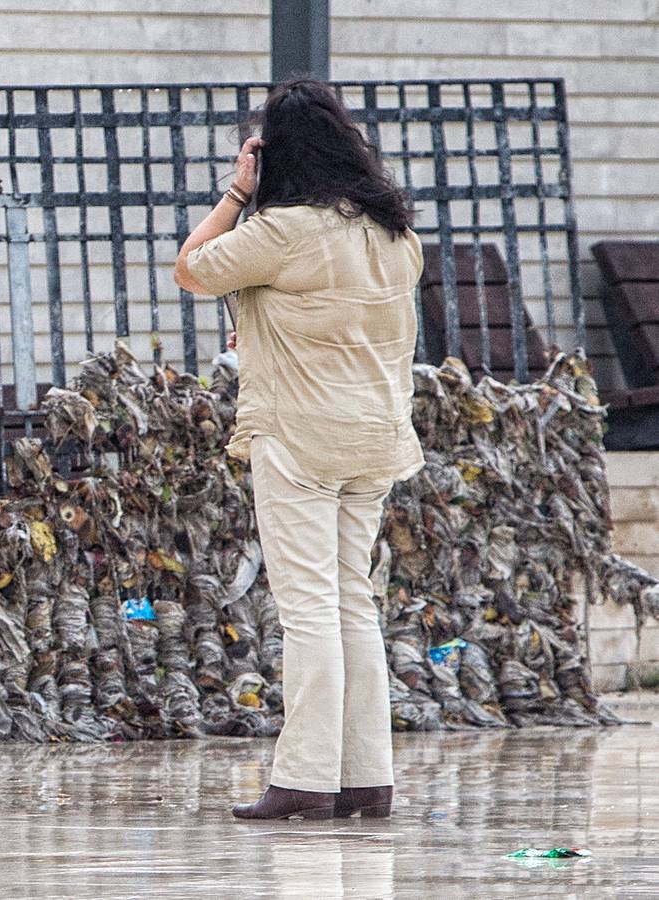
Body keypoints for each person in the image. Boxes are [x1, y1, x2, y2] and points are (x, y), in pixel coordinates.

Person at [171, 78, 425, 821]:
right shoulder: (393, 234)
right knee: (355, 604)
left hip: (300, 439)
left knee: (309, 609)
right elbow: (331, 316)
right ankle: (366, 777)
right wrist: (262, 320)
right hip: (375, 438)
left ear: (278, 157)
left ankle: (306, 780)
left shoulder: (283, 231)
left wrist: (234, 192)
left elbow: (193, 265)